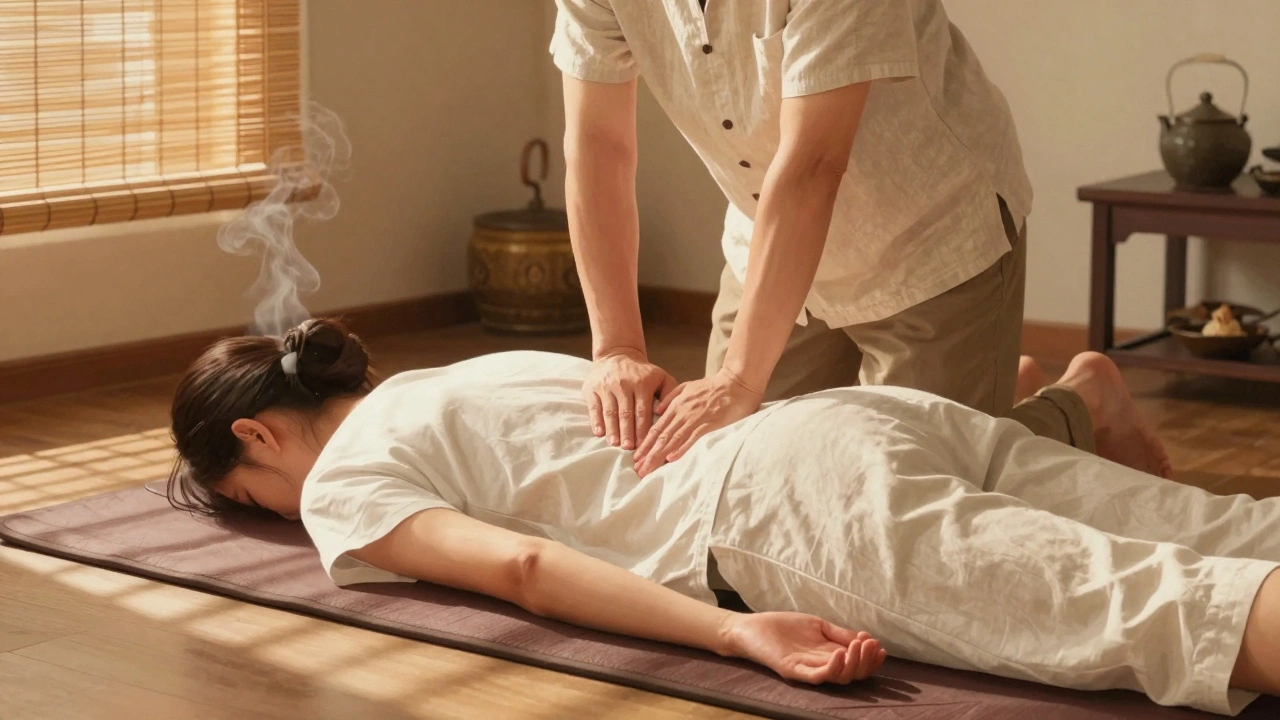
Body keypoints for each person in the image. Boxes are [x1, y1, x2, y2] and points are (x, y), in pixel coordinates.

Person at [167, 319, 1279, 715]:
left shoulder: (338, 482)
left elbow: (518, 568)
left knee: (1162, 611)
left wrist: (731, 630)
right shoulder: (460, 375)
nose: (277, 516)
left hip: (783, 508)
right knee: (1228, 537)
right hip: (860, 419)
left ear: (257, 437)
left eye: (244, 499)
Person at [548, 1, 1165, 479]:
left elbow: (814, 163)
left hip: (927, 236)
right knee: (733, 472)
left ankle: (1086, 400)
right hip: (770, 237)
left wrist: (739, 380)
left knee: (908, 496)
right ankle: (997, 386)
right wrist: (618, 348)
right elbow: (598, 147)